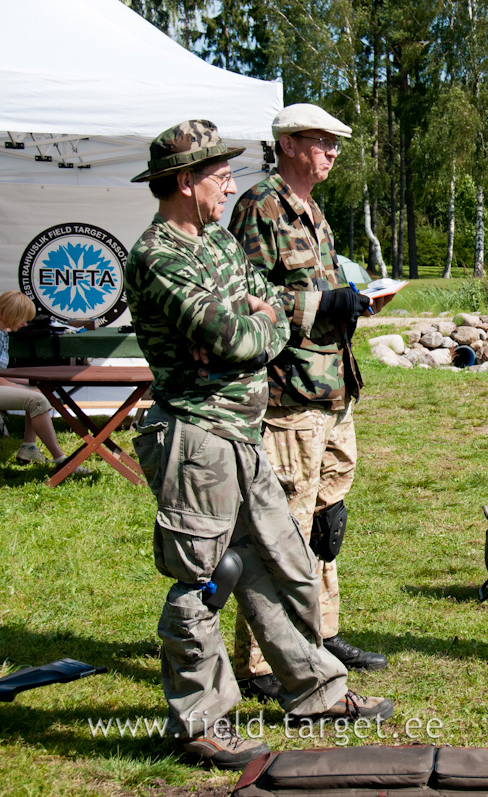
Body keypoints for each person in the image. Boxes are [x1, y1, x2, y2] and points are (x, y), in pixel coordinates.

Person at [125, 120, 392, 769]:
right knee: (202, 581)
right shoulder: (158, 255)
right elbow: (237, 338)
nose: (230, 184)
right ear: (186, 182)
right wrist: (261, 323)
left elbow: (266, 301)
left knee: (280, 561)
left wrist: (262, 317)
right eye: (219, 175)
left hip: (242, 432)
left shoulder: (214, 238)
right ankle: (199, 723)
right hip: (196, 438)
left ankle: (315, 690)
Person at [227, 103, 389, 701]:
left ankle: (319, 633)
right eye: (323, 142)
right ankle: (265, 664)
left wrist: (354, 299)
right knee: (281, 527)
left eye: (336, 144)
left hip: (331, 387)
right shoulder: (260, 206)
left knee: (324, 520)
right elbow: (245, 297)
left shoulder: (311, 211)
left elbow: (313, 286)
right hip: (287, 393)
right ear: (290, 143)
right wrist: (324, 308)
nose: (332, 153)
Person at [0, 290, 87, 474]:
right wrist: (21, 389)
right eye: (23, 319)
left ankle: (29, 448)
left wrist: (34, 382)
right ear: (12, 314)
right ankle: (62, 461)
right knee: (37, 399)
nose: (25, 324)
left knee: (39, 391)